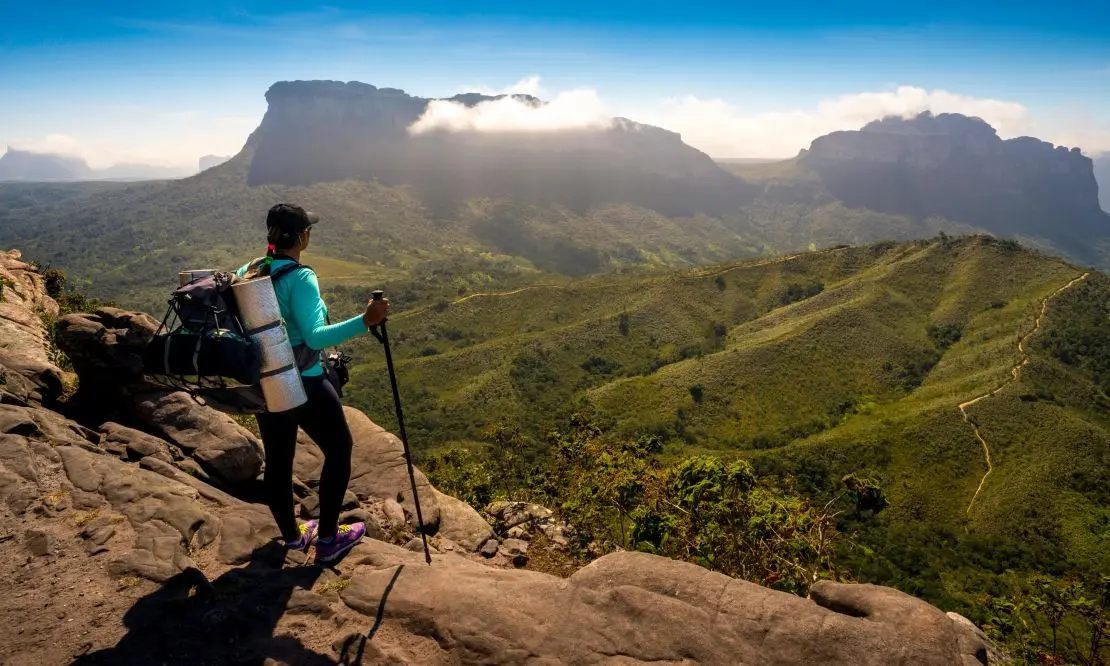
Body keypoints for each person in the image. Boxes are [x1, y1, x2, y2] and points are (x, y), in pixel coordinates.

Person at [237, 202, 390, 563]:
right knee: (339, 448)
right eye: (309, 230)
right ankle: (327, 538)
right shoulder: (301, 277)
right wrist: (366, 319)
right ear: (303, 236)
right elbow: (317, 337)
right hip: (304, 380)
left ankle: (292, 538)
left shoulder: (250, 270)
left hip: (267, 382)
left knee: (278, 462)